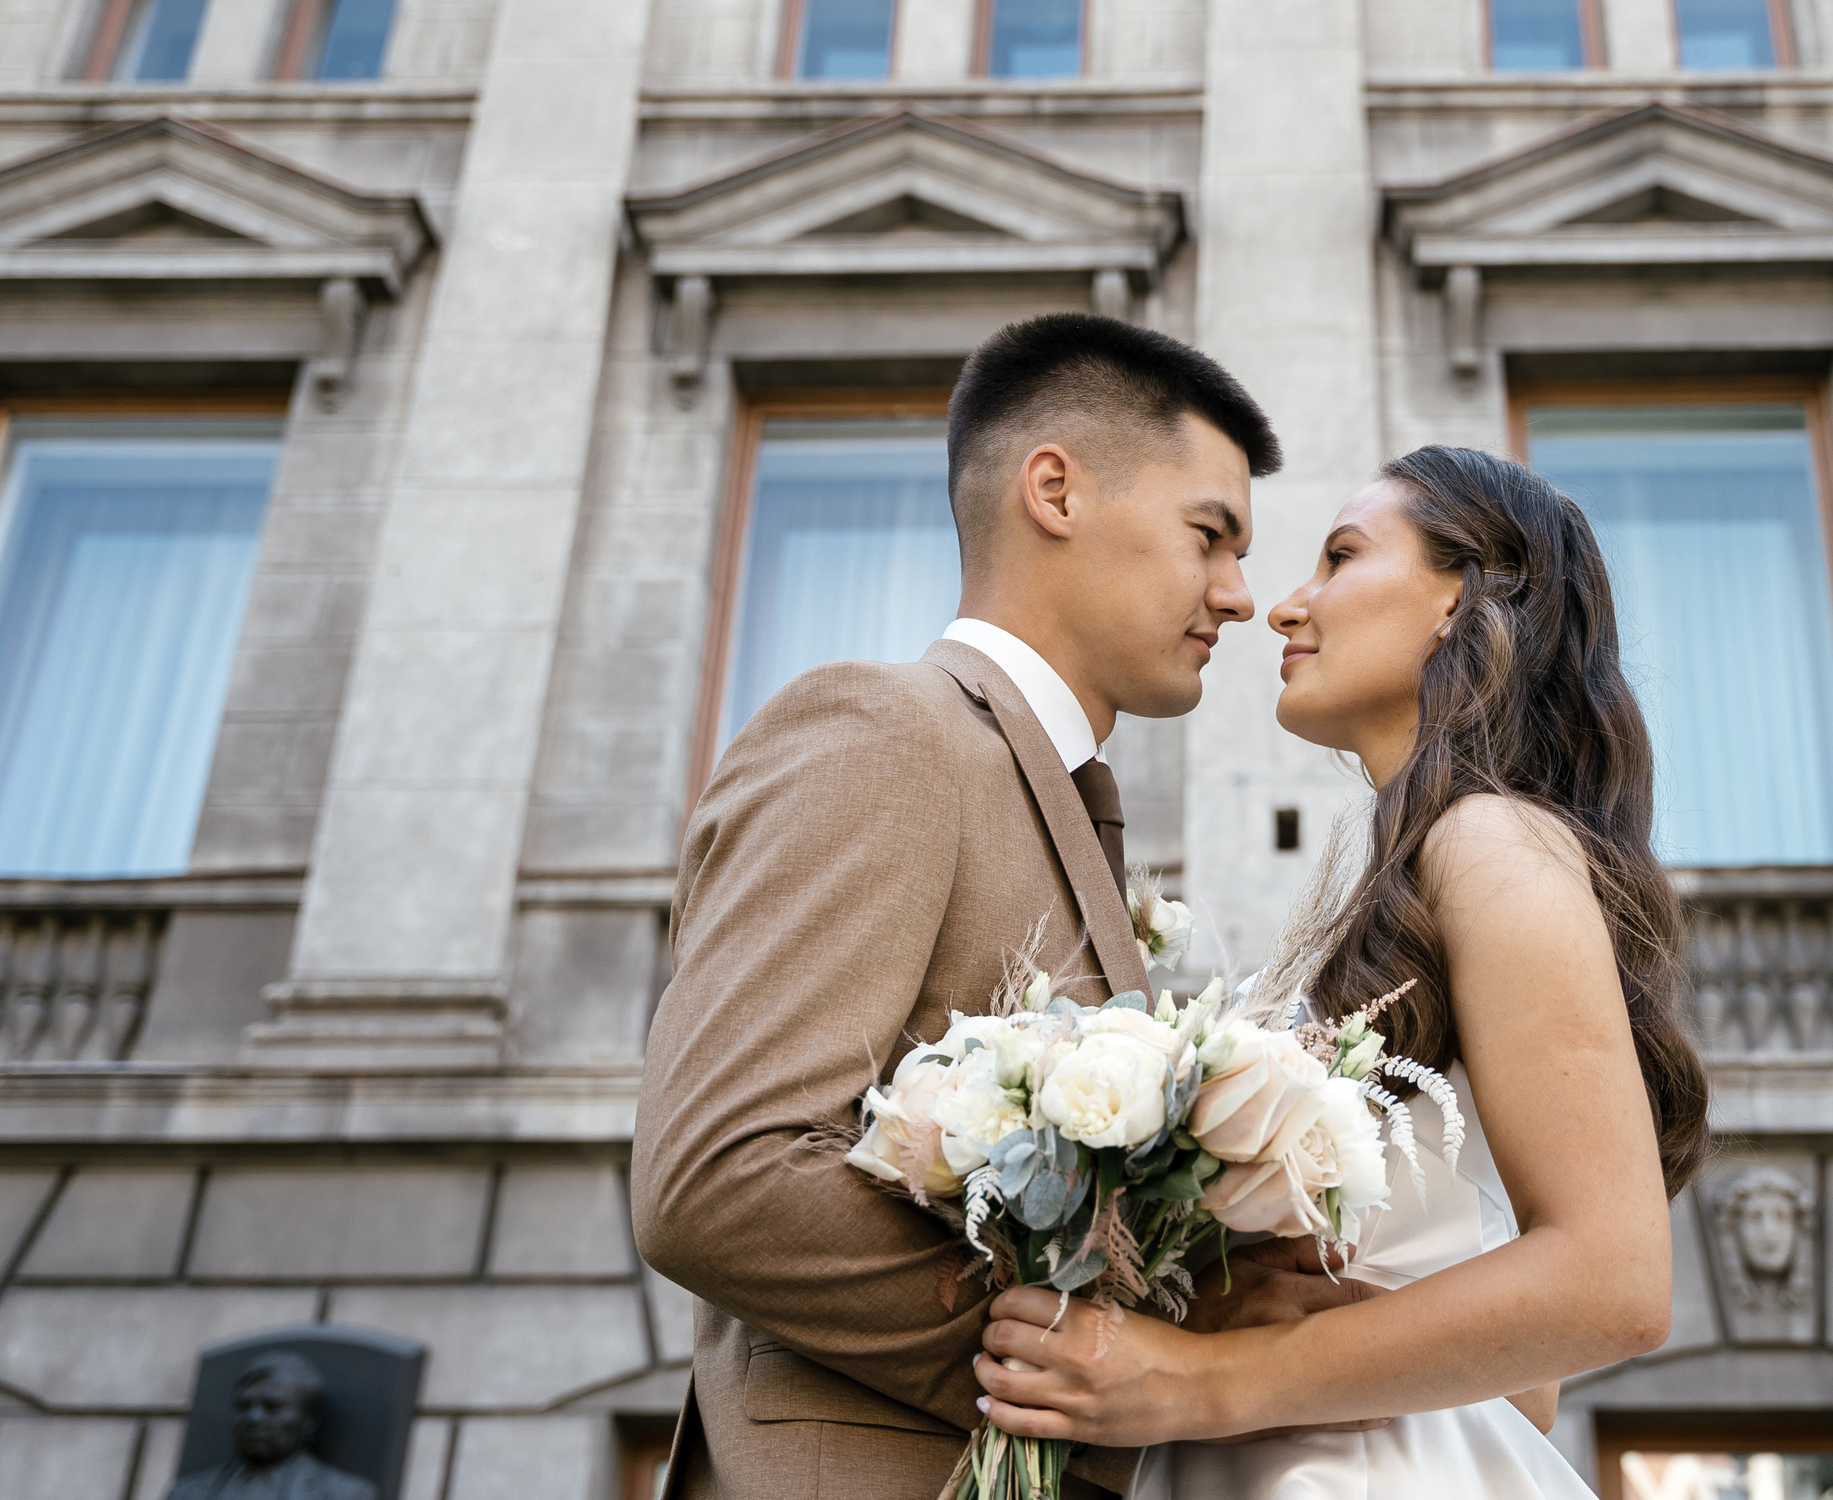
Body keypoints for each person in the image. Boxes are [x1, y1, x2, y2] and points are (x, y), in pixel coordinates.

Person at [631, 313, 1382, 1500]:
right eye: (1210, 536)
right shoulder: (882, 733)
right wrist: (1122, 1351)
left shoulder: (1058, 795)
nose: (1239, 597)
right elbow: (722, 1182)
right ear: (1055, 491)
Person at [970, 443, 1713, 1498]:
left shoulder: (1489, 842)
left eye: (1339, 557)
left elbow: (1615, 1282)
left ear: (1461, 600)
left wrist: (1201, 1381)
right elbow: (1532, 1384)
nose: (1283, 608)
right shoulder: (1401, 881)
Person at [167, 1351, 375, 1500]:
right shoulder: (187, 1493)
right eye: (244, 1406)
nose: (254, 1418)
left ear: (308, 1421)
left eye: (273, 1407)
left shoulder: (347, 1494)